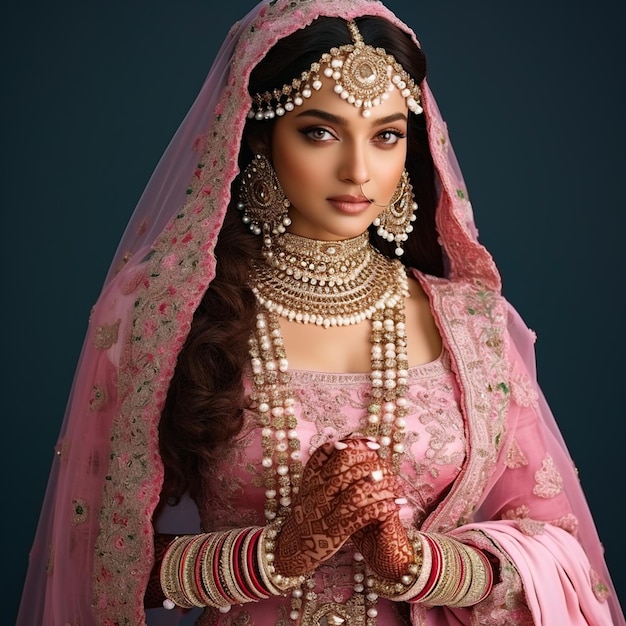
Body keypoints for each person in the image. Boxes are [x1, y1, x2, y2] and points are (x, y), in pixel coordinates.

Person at [16, 0, 624, 624]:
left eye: (386, 135)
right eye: (319, 132)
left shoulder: (472, 324)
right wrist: (272, 554)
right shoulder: (168, 315)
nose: (358, 170)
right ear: (256, 140)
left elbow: (561, 554)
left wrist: (421, 566)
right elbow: (102, 560)